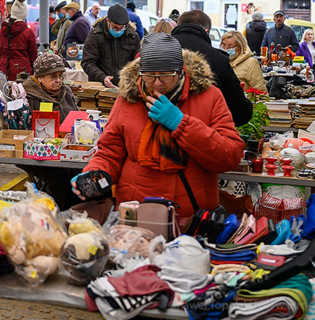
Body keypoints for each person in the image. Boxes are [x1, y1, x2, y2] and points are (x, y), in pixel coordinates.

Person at [73, 32, 244, 214]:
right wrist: (94, 173)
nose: (157, 83)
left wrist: (182, 124)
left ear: (180, 71)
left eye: (166, 76)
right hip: (136, 212)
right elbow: (109, 152)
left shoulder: (209, 96)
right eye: (149, 76)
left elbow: (230, 156)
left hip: (189, 215)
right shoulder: (129, 98)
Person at [172, 10, 253, 126]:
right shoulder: (217, 58)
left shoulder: (158, 50)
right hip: (203, 131)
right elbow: (238, 110)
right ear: (206, 31)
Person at [81, 3, 141, 89]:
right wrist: (102, 77)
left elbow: (137, 61)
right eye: (115, 27)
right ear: (107, 21)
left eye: (122, 28)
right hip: (100, 87)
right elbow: (87, 62)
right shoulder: (96, 35)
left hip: (126, 87)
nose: (119, 31)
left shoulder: (132, 36)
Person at [23, 52, 78, 119]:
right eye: (53, 76)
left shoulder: (66, 91)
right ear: (39, 78)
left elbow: (78, 118)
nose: (58, 80)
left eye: (60, 76)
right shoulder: (27, 97)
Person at [0, 0, 38, 80]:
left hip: (4, 70)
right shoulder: (28, 33)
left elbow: (0, 53)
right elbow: (33, 56)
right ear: (24, 15)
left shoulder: (1, 31)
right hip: (22, 72)